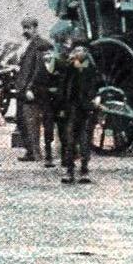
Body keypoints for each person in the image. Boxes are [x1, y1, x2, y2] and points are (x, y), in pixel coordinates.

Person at [51, 40, 101, 184]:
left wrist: (96, 99)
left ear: (86, 53)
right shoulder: (69, 68)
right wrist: (60, 107)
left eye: (81, 50)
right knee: (69, 139)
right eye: (76, 50)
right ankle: (70, 170)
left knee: (85, 140)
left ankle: (84, 169)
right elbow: (63, 87)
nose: (78, 53)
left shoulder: (91, 69)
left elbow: (97, 86)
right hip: (71, 108)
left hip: (86, 108)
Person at [12, 16, 56, 165]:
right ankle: (31, 151)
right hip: (22, 88)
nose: (25, 31)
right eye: (24, 27)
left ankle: (37, 153)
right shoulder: (27, 45)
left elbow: (40, 70)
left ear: (35, 28)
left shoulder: (42, 45)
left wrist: (30, 87)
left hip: (33, 90)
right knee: (22, 120)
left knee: (33, 122)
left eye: (28, 28)